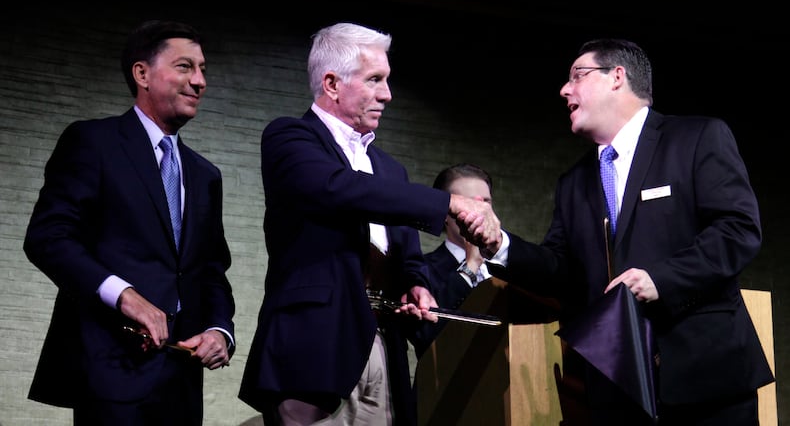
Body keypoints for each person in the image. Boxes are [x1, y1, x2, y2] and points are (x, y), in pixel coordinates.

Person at [476, 38, 774, 425]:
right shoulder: (573, 183)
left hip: (705, 379)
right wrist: (501, 245)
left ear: (617, 77)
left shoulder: (697, 139)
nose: (564, 89)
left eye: (577, 76)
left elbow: (738, 230)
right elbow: (561, 273)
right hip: (615, 388)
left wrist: (661, 279)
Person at [237, 22, 500, 426]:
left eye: (387, 80)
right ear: (331, 83)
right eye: (375, 79)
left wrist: (417, 285)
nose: (387, 94)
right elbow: (338, 189)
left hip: (382, 347)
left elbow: (408, 255)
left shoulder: (390, 170)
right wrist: (449, 202)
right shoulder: (290, 139)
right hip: (315, 348)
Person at [23, 19, 236, 426]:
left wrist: (218, 329)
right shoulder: (93, 142)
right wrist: (126, 295)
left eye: (203, 69)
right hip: (110, 371)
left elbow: (211, 271)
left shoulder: (205, 175)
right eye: (185, 66)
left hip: (183, 378)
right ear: (142, 73)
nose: (199, 81)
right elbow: (48, 237)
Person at [408, 163, 495, 358]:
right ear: (445, 213)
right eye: (468, 202)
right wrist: (470, 266)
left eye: (486, 202)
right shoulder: (422, 270)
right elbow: (425, 336)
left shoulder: (507, 266)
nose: (480, 210)